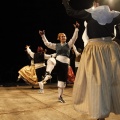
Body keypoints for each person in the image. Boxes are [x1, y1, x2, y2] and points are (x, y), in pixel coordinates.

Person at [62, 0, 120, 120]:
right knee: (112, 80)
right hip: (110, 49)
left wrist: (65, 2)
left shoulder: (89, 13)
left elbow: (71, 12)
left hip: (94, 49)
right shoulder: (113, 15)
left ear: (96, 4)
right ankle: (105, 109)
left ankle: (100, 112)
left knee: (96, 81)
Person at [39, 21, 79, 103]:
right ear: (59, 38)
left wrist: (76, 29)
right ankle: (48, 73)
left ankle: (60, 97)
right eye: (62, 36)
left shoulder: (69, 44)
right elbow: (47, 44)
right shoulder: (56, 46)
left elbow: (74, 38)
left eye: (64, 36)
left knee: (61, 82)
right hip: (58, 63)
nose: (64, 37)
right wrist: (43, 35)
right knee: (51, 59)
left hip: (64, 65)